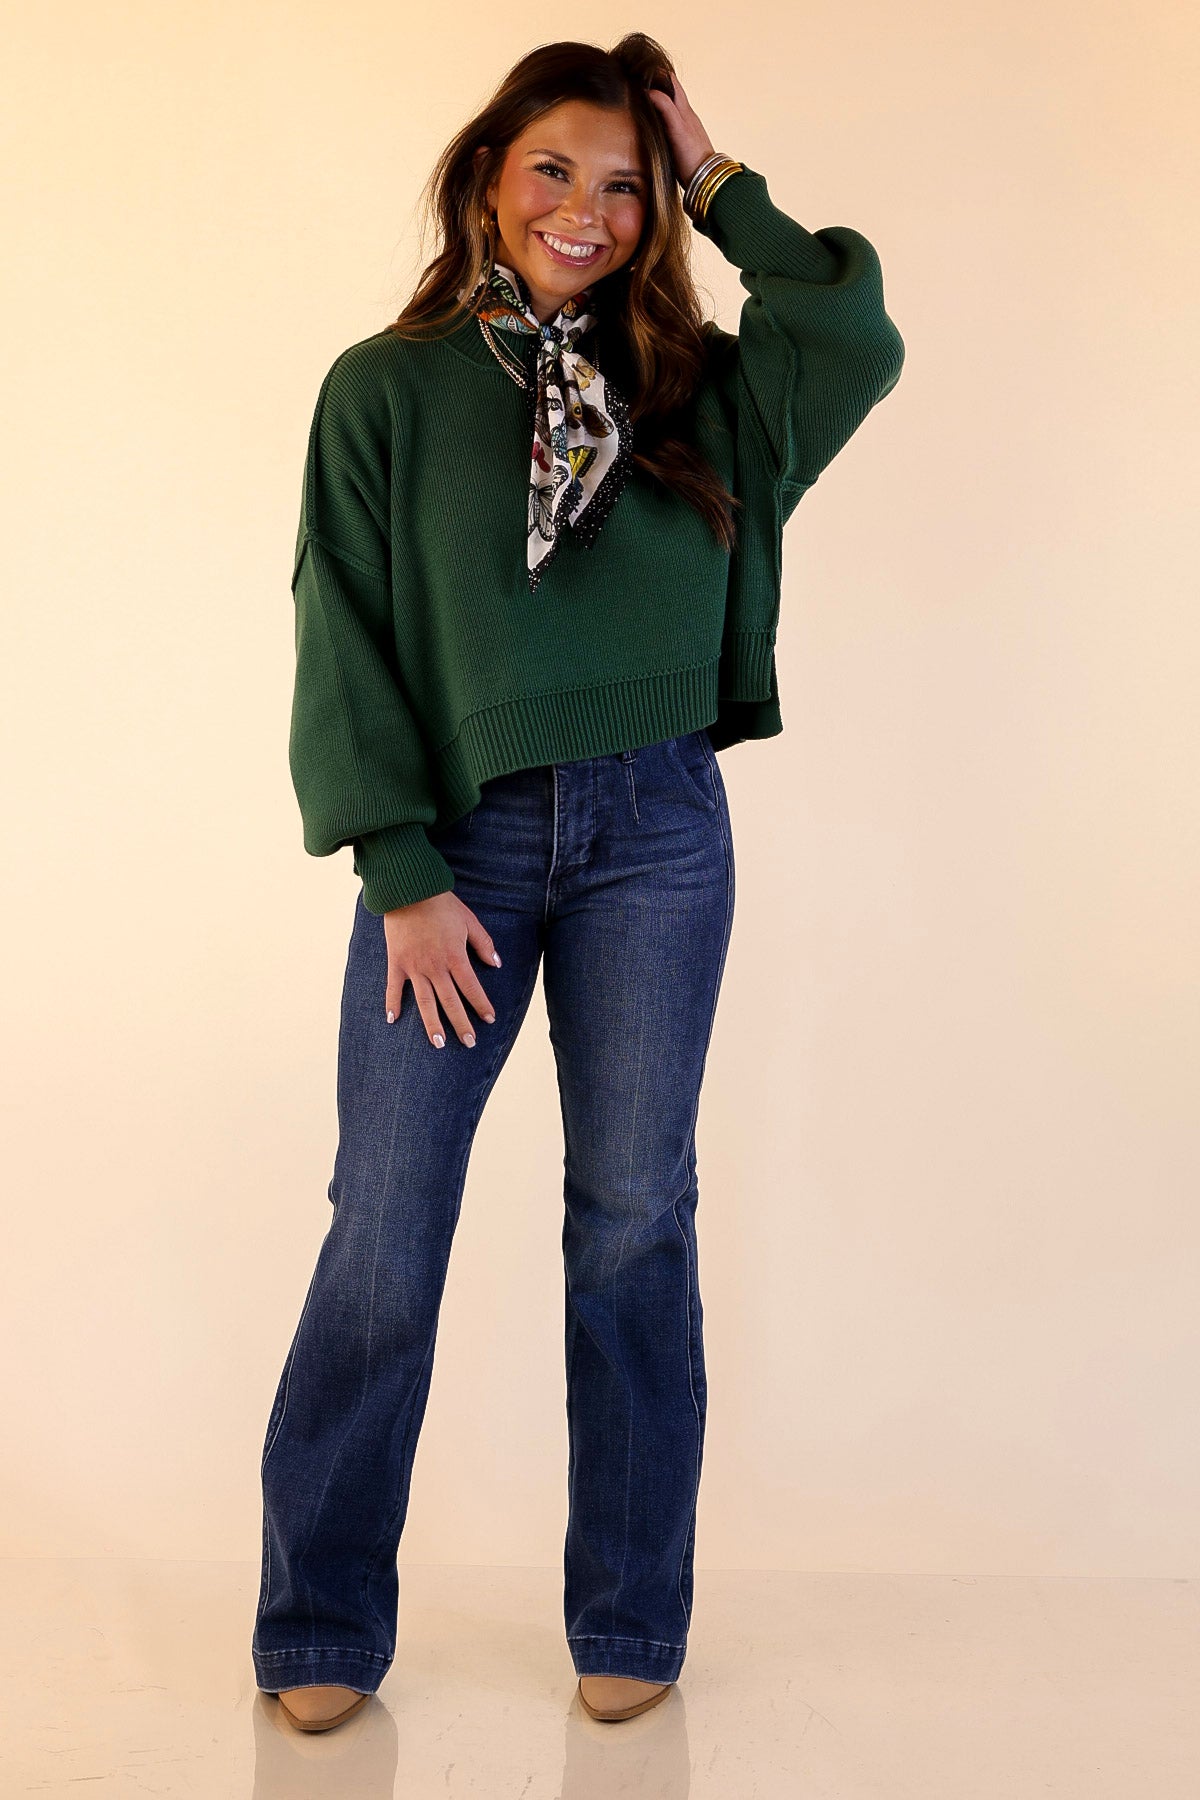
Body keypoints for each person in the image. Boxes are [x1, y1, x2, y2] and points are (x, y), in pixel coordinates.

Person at [252, 33, 904, 1734]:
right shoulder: (384, 390)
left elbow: (853, 330)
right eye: (554, 169)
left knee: (633, 1219)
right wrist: (399, 866)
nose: (586, 211)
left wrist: (717, 178)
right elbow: (341, 629)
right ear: (487, 176)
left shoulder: (705, 390)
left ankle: (629, 1605)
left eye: (624, 186)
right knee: (387, 1226)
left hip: (658, 835)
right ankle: (318, 1621)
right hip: (453, 850)